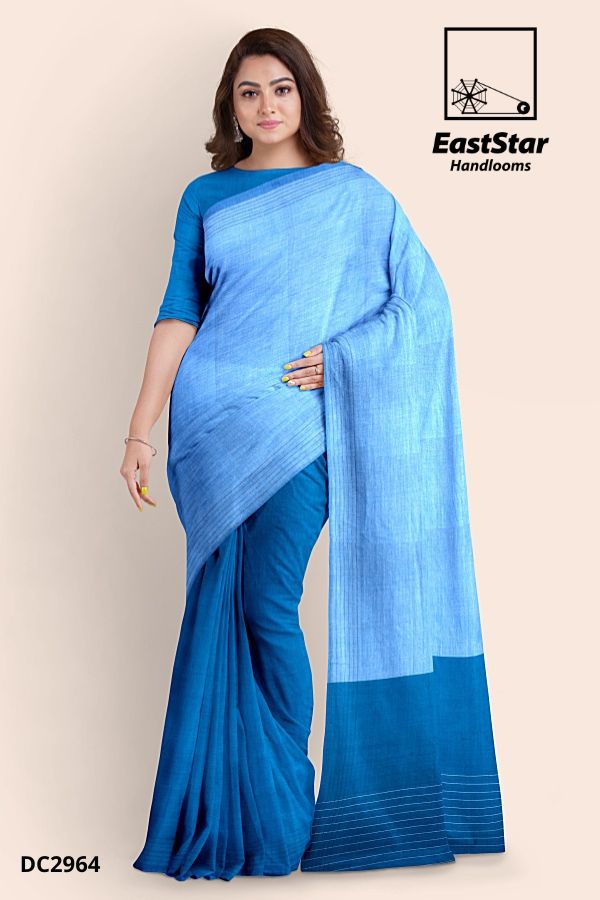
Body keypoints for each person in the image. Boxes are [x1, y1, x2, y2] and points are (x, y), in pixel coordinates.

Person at [125, 27, 505, 882]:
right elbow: (179, 311)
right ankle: (237, 814)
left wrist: (344, 360)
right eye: (249, 91)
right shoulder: (205, 195)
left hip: (304, 426)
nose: (266, 105)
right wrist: (141, 429)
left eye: (281, 88)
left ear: (306, 96)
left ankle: (284, 800)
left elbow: (423, 308)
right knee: (227, 610)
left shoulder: (355, 196)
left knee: (267, 601)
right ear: (230, 105)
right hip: (210, 431)